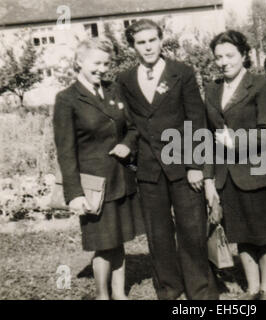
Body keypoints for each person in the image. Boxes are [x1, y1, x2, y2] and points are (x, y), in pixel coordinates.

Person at [117, 19, 219, 300]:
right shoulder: (125, 79)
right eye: (141, 42)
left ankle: (200, 291)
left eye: (152, 40)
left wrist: (196, 166)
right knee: (158, 234)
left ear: (161, 40)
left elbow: (195, 120)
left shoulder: (181, 72)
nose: (148, 47)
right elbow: (131, 124)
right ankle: (169, 289)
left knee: (192, 231)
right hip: (149, 170)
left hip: (184, 167)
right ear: (132, 46)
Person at [53, 38, 145, 300]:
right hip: (93, 187)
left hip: (121, 180)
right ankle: (103, 296)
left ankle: (120, 294)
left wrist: (127, 144)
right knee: (103, 244)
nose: (102, 68)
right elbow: (65, 151)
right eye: (96, 63)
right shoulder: (67, 99)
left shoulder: (114, 90)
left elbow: (133, 128)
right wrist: (75, 193)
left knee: (118, 240)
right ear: (80, 62)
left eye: (106, 63)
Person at [203, 30, 266, 300]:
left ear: (243, 55)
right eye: (218, 57)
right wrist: (209, 180)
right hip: (226, 175)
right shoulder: (212, 89)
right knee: (241, 235)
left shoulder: (261, 84)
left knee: (264, 235)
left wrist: (235, 142)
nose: (223, 61)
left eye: (229, 55)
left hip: (256, 171)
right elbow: (207, 137)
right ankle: (252, 289)